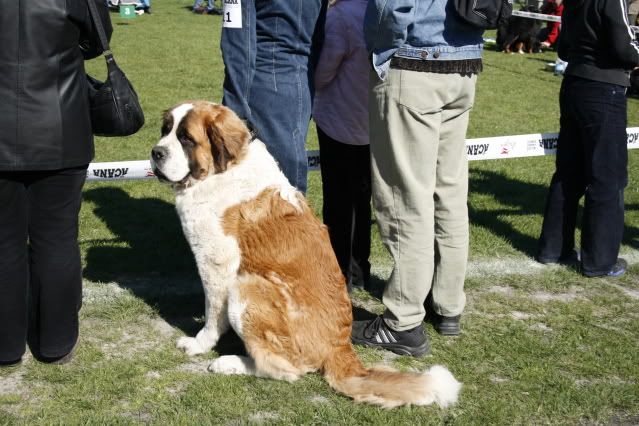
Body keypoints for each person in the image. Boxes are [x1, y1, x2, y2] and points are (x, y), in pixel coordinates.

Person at [351, 0, 484, 357]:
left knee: (405, 197)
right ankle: (448, 304)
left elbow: (390, 7)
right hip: (463, 64)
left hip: (414, 64)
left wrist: (380, 50)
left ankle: (403, 321)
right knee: (449, 191)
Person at [0, 0, 112, 367]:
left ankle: (7, 346)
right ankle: (56, 342)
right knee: (57, 238)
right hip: (60, 127)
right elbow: (97, 39)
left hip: (46, 128)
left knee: (6, 242)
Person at [536, 0, 639, 277]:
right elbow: (624, 48)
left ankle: (553, 249)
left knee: (568, 173)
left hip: (574, 83)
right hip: (604, 89)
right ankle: (600, 261)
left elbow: (564, 48)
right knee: (608, 179)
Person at [220, 0, 328, 194]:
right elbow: (318, 39)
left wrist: (233, 108)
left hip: (263, 85)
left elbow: (237, 44)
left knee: (270, 187)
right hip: (302, 84)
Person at [313, 0, 371, 293]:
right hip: (371, 124)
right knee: (362, 200)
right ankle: (360, 270)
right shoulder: (379, 12)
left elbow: (322, 74)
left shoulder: (340, 16)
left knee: (338, 203)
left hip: (338, 122)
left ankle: (339, 274)